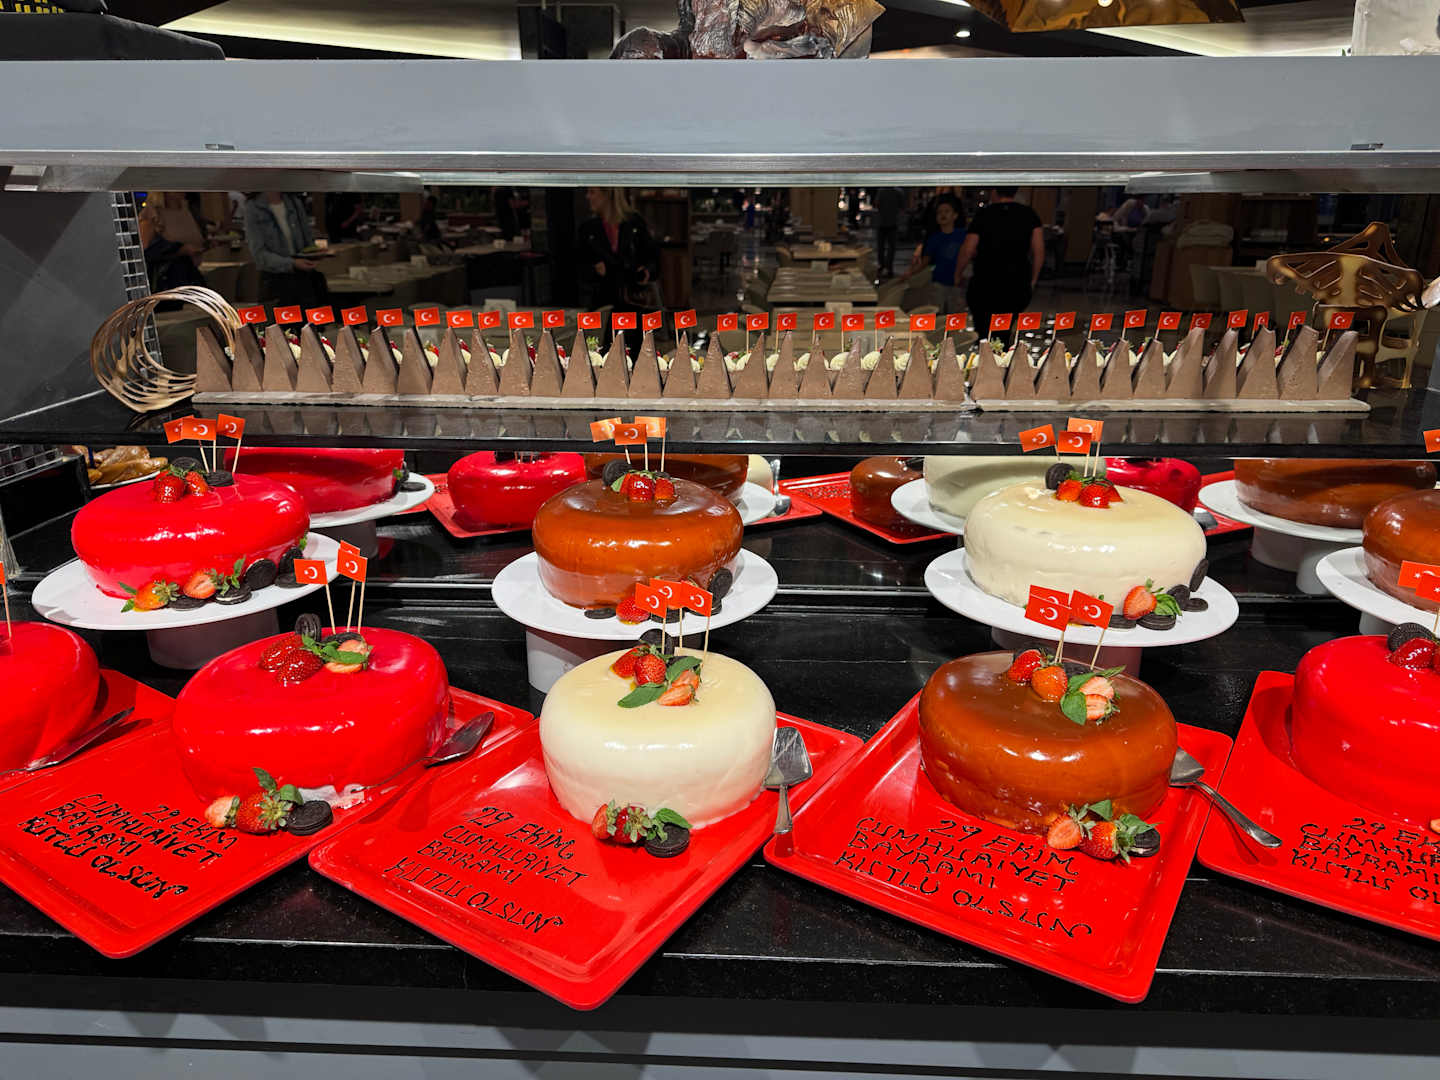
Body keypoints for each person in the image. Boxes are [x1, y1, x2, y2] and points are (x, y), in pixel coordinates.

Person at [953, 187, 1044, 341]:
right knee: (1004, 330)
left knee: (983, 330)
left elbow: (968, 249)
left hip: (985, 282)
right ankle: (1001, 352)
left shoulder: (984, 214)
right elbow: (1039, 251)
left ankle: (985, 351)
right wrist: (1033, 280)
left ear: (994, 192)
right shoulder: (1029, 214)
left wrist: (957, 274)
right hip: (1016, 282)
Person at [577, 187, 659, 357]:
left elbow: (653, 259)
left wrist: (646, 272)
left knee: (636, 358)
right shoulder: (588, 228)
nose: (588, 197)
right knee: (603, 357)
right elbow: (578, 268)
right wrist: (595, 270)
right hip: (603, 305)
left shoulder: (635, 223)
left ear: (608, 194)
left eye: (592, 192)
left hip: (633, 303)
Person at [244, 192, 330, 307]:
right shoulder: (253, 207)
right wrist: (292, 263)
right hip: (275, 280)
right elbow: (259, 255)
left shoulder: (294, 202)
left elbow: (307, 240)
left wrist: (315, 253)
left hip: (303, 280)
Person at [899, 197, 965, 313]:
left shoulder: (963, 235)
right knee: (937, 312)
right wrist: (910, 272)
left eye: (947, 211)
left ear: (955, 215)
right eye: (939, 212)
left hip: (957, 283)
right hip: (938, 282)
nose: (943, 215)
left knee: (955, 316)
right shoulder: (934, 239)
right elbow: (925, 261)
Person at [138, 192, 207, 294]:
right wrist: (179, 250)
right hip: (168, 284)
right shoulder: (152, 213)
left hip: (190, 278)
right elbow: (143, 251)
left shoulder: (187, 209)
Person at [872, 186, 903, 278]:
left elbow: (876, 204)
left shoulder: (881, 191)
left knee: (881, 247)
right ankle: (889, 267)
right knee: (891, 247)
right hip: (893, 222)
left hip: (882, 222)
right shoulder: (898, 192)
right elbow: (902, 206)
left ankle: (881, 266)